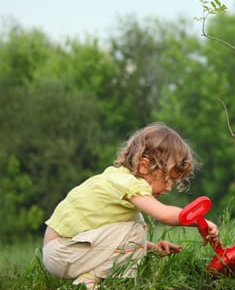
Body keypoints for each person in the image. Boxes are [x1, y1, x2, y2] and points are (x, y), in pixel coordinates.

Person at [42, 123, 219, 288]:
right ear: (144, 167)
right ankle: (89, 283)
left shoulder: (120, 182)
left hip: (63, 252)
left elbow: (114, 237)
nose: (169, 187)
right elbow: (164, 214)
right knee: (135, 228)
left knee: (136, 225)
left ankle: (87, 281)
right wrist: (198, 221)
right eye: (168, 178)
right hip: (62, 252)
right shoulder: (128, 184)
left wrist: (152, 247)